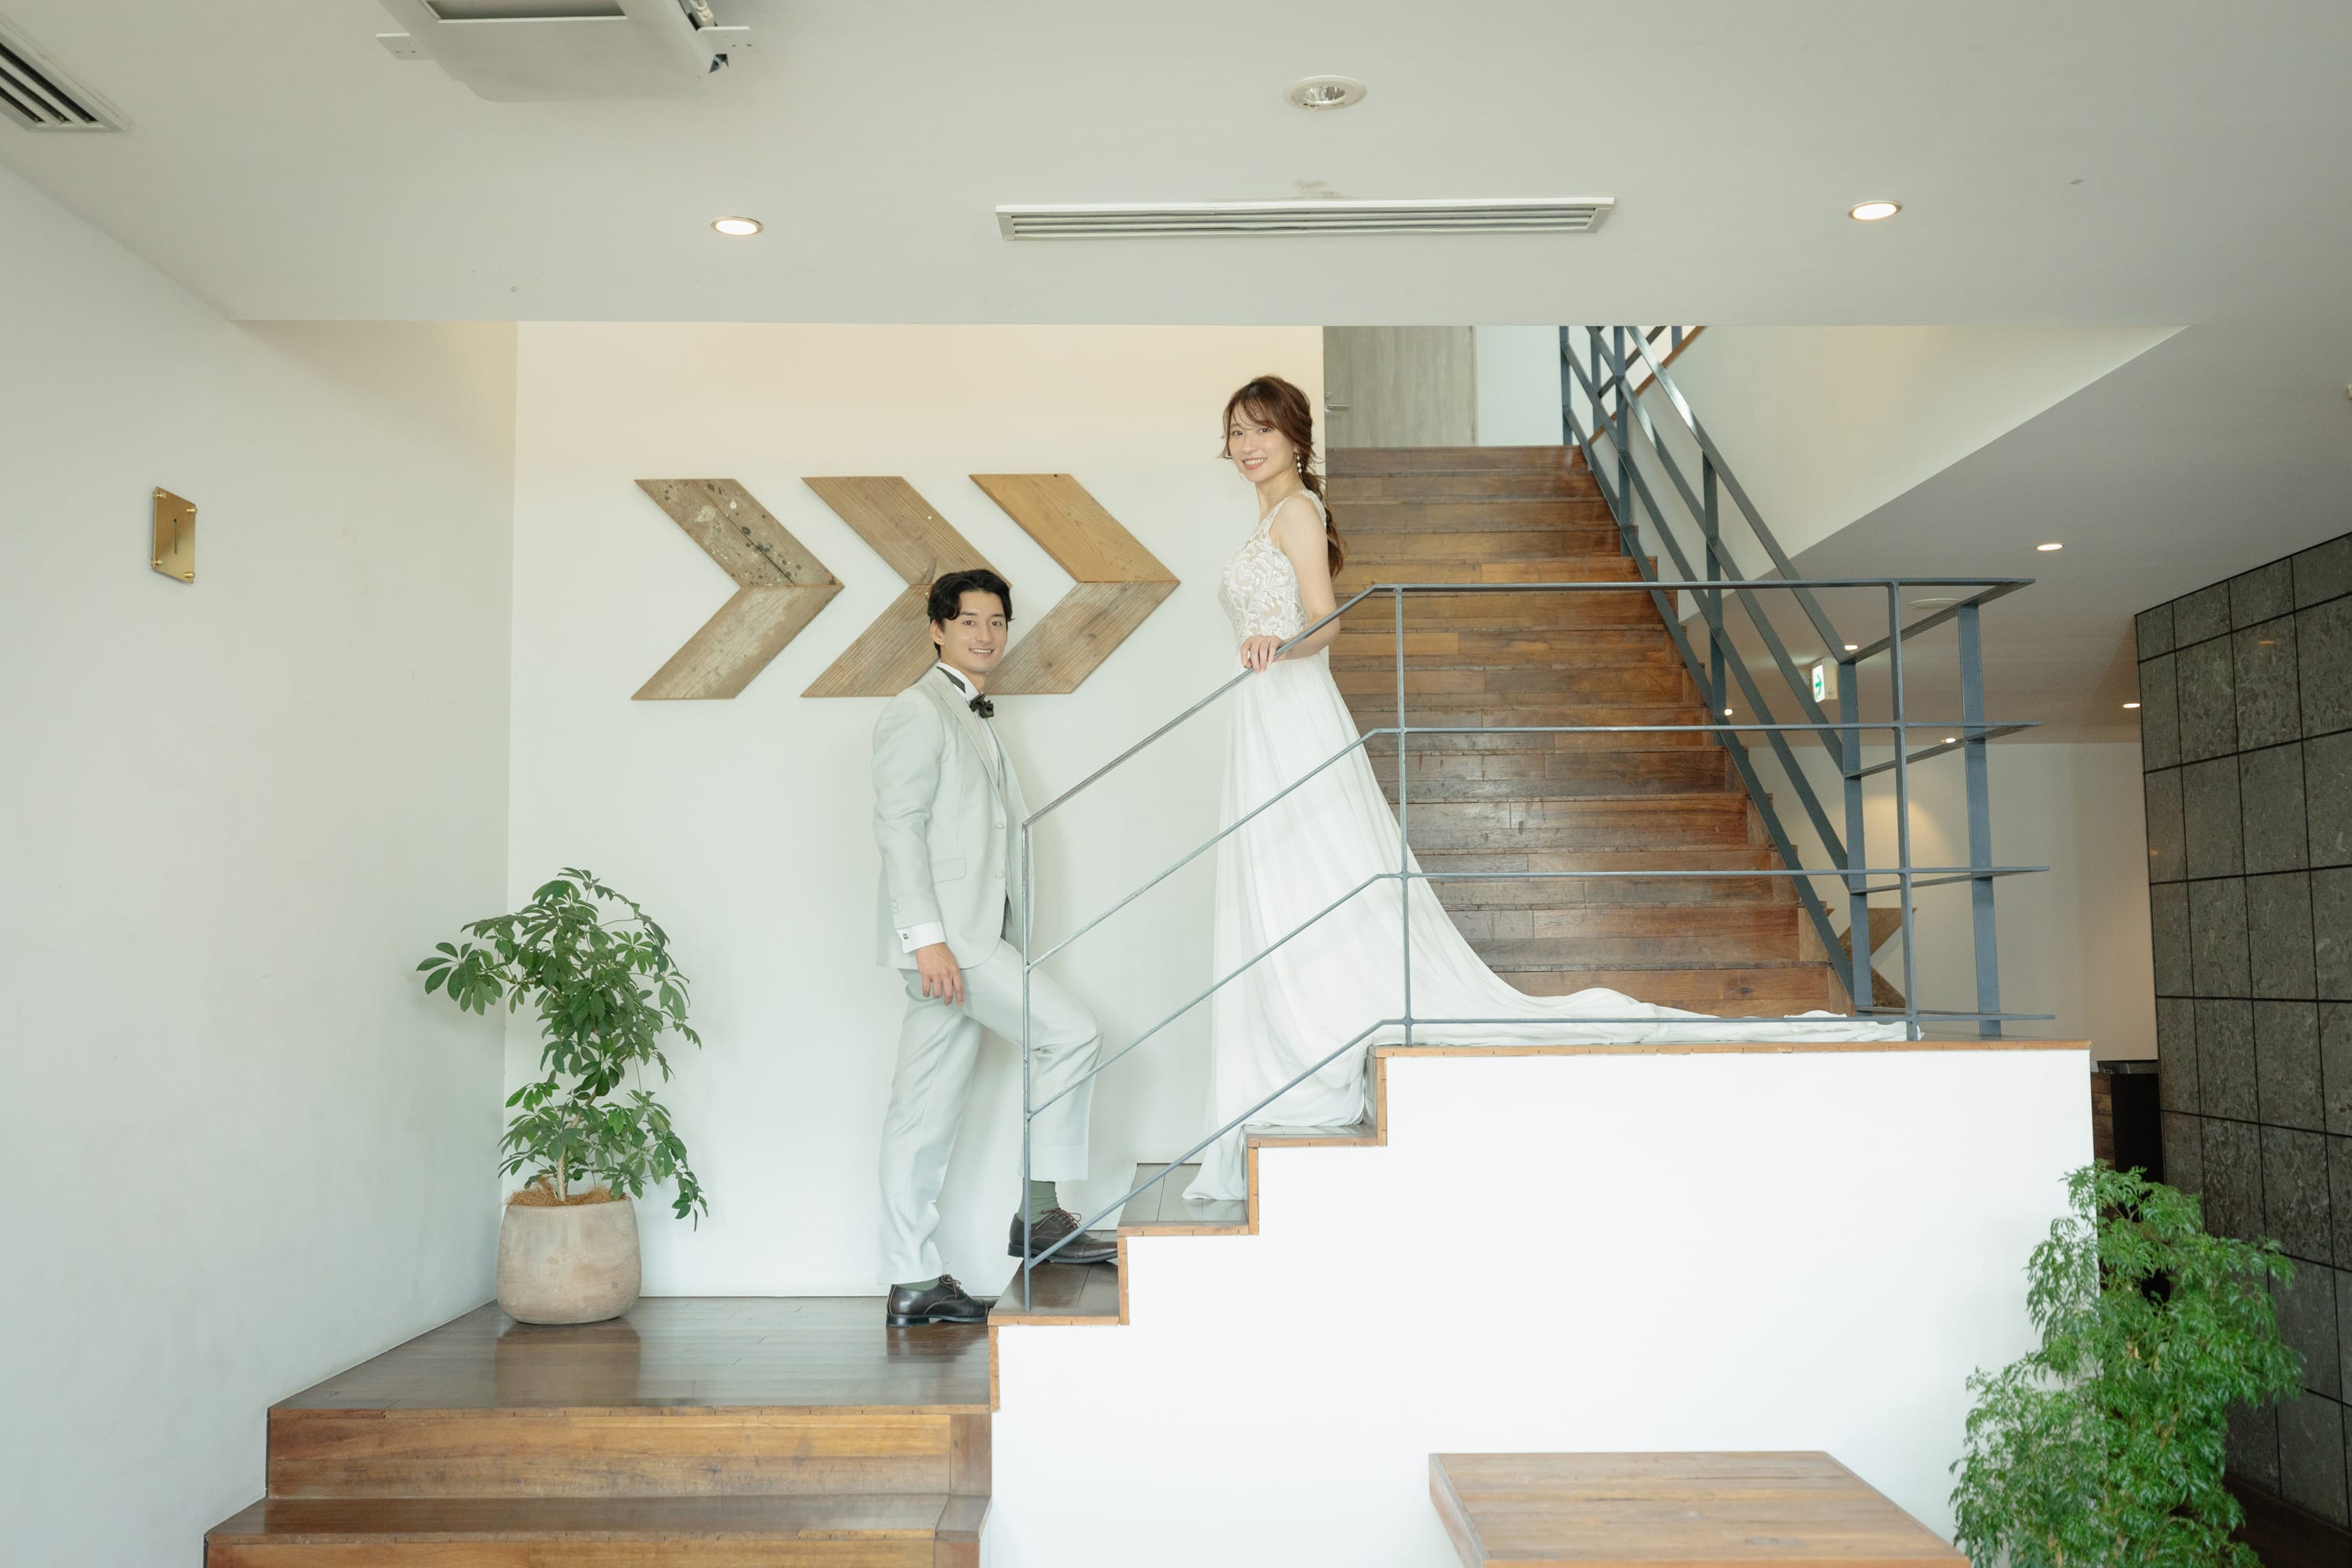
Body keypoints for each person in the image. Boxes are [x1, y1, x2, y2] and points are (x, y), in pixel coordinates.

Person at [1182, 376, 1903, 1203]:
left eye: (1262, 430)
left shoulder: (1298, 512)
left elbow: (1327, 617)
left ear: (1294, 437)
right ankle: (1295, 1027)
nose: (1248, 445)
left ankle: (1319, 1028)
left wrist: (1279, 643)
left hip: (1291, 705)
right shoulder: (1266, 518)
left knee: (1312, 864)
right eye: (1237, 431)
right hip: (1263, 712)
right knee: (1280, 873)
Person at [872, 568, 1116, 1325]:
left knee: (920, 1113)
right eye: (969, 621)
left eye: (997, 622)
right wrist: (927, 941)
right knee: (1071, 1032)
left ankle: (913, 1281)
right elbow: (899, 829)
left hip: (974, 936)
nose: (985, 635)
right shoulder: (916, 710)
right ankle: (1037, 1216)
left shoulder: (971, 713)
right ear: (937, 629)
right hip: (954, 942)